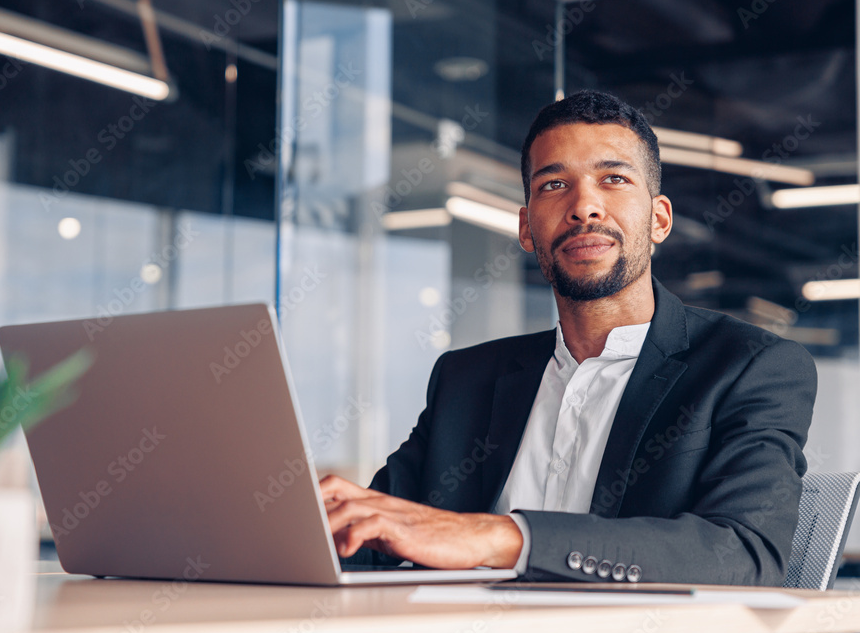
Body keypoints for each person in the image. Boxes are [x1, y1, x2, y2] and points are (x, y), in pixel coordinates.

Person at [320, 90, 817, 585]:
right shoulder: (466, 379)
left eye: (614, 179)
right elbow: (379, 531)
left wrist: (502, 538)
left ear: (659, 219)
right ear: (526, 227)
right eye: (555, 184)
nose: (584, 207)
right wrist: (305, 526)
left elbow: (744, 555)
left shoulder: (752, 367)